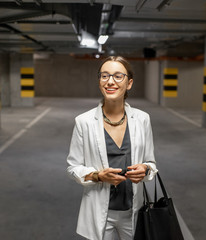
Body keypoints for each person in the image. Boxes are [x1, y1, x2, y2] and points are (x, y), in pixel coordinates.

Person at [66, 56, 157, 240]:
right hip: (100, 211)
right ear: (99, 81)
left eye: (118, 76)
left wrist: (145, 169)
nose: (110, 81)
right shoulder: (84, 122)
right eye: (104, 76)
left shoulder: (142, 119)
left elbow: (151, 163)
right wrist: (98, 176)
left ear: (129, 83)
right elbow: (73, 167)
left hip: (134, 210)